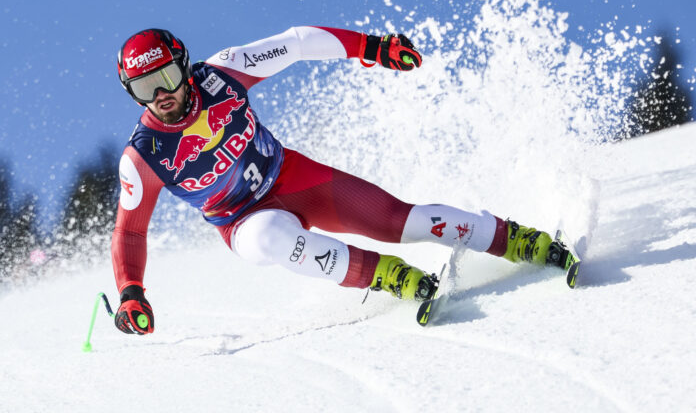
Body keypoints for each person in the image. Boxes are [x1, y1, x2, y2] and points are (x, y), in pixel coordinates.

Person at [112, 27, 570, 335]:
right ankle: (389, 277)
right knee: (273, 239)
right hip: (242, 223)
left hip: (290, 176)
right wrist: (131, 291)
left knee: (398, 220)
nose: (162, 95)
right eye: (144, 88)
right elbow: (130, 230)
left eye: (168, 77)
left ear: (184, 66)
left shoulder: (222, 73)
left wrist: (370, 48)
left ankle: (517, 240)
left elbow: (294, 43)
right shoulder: (144, 155)